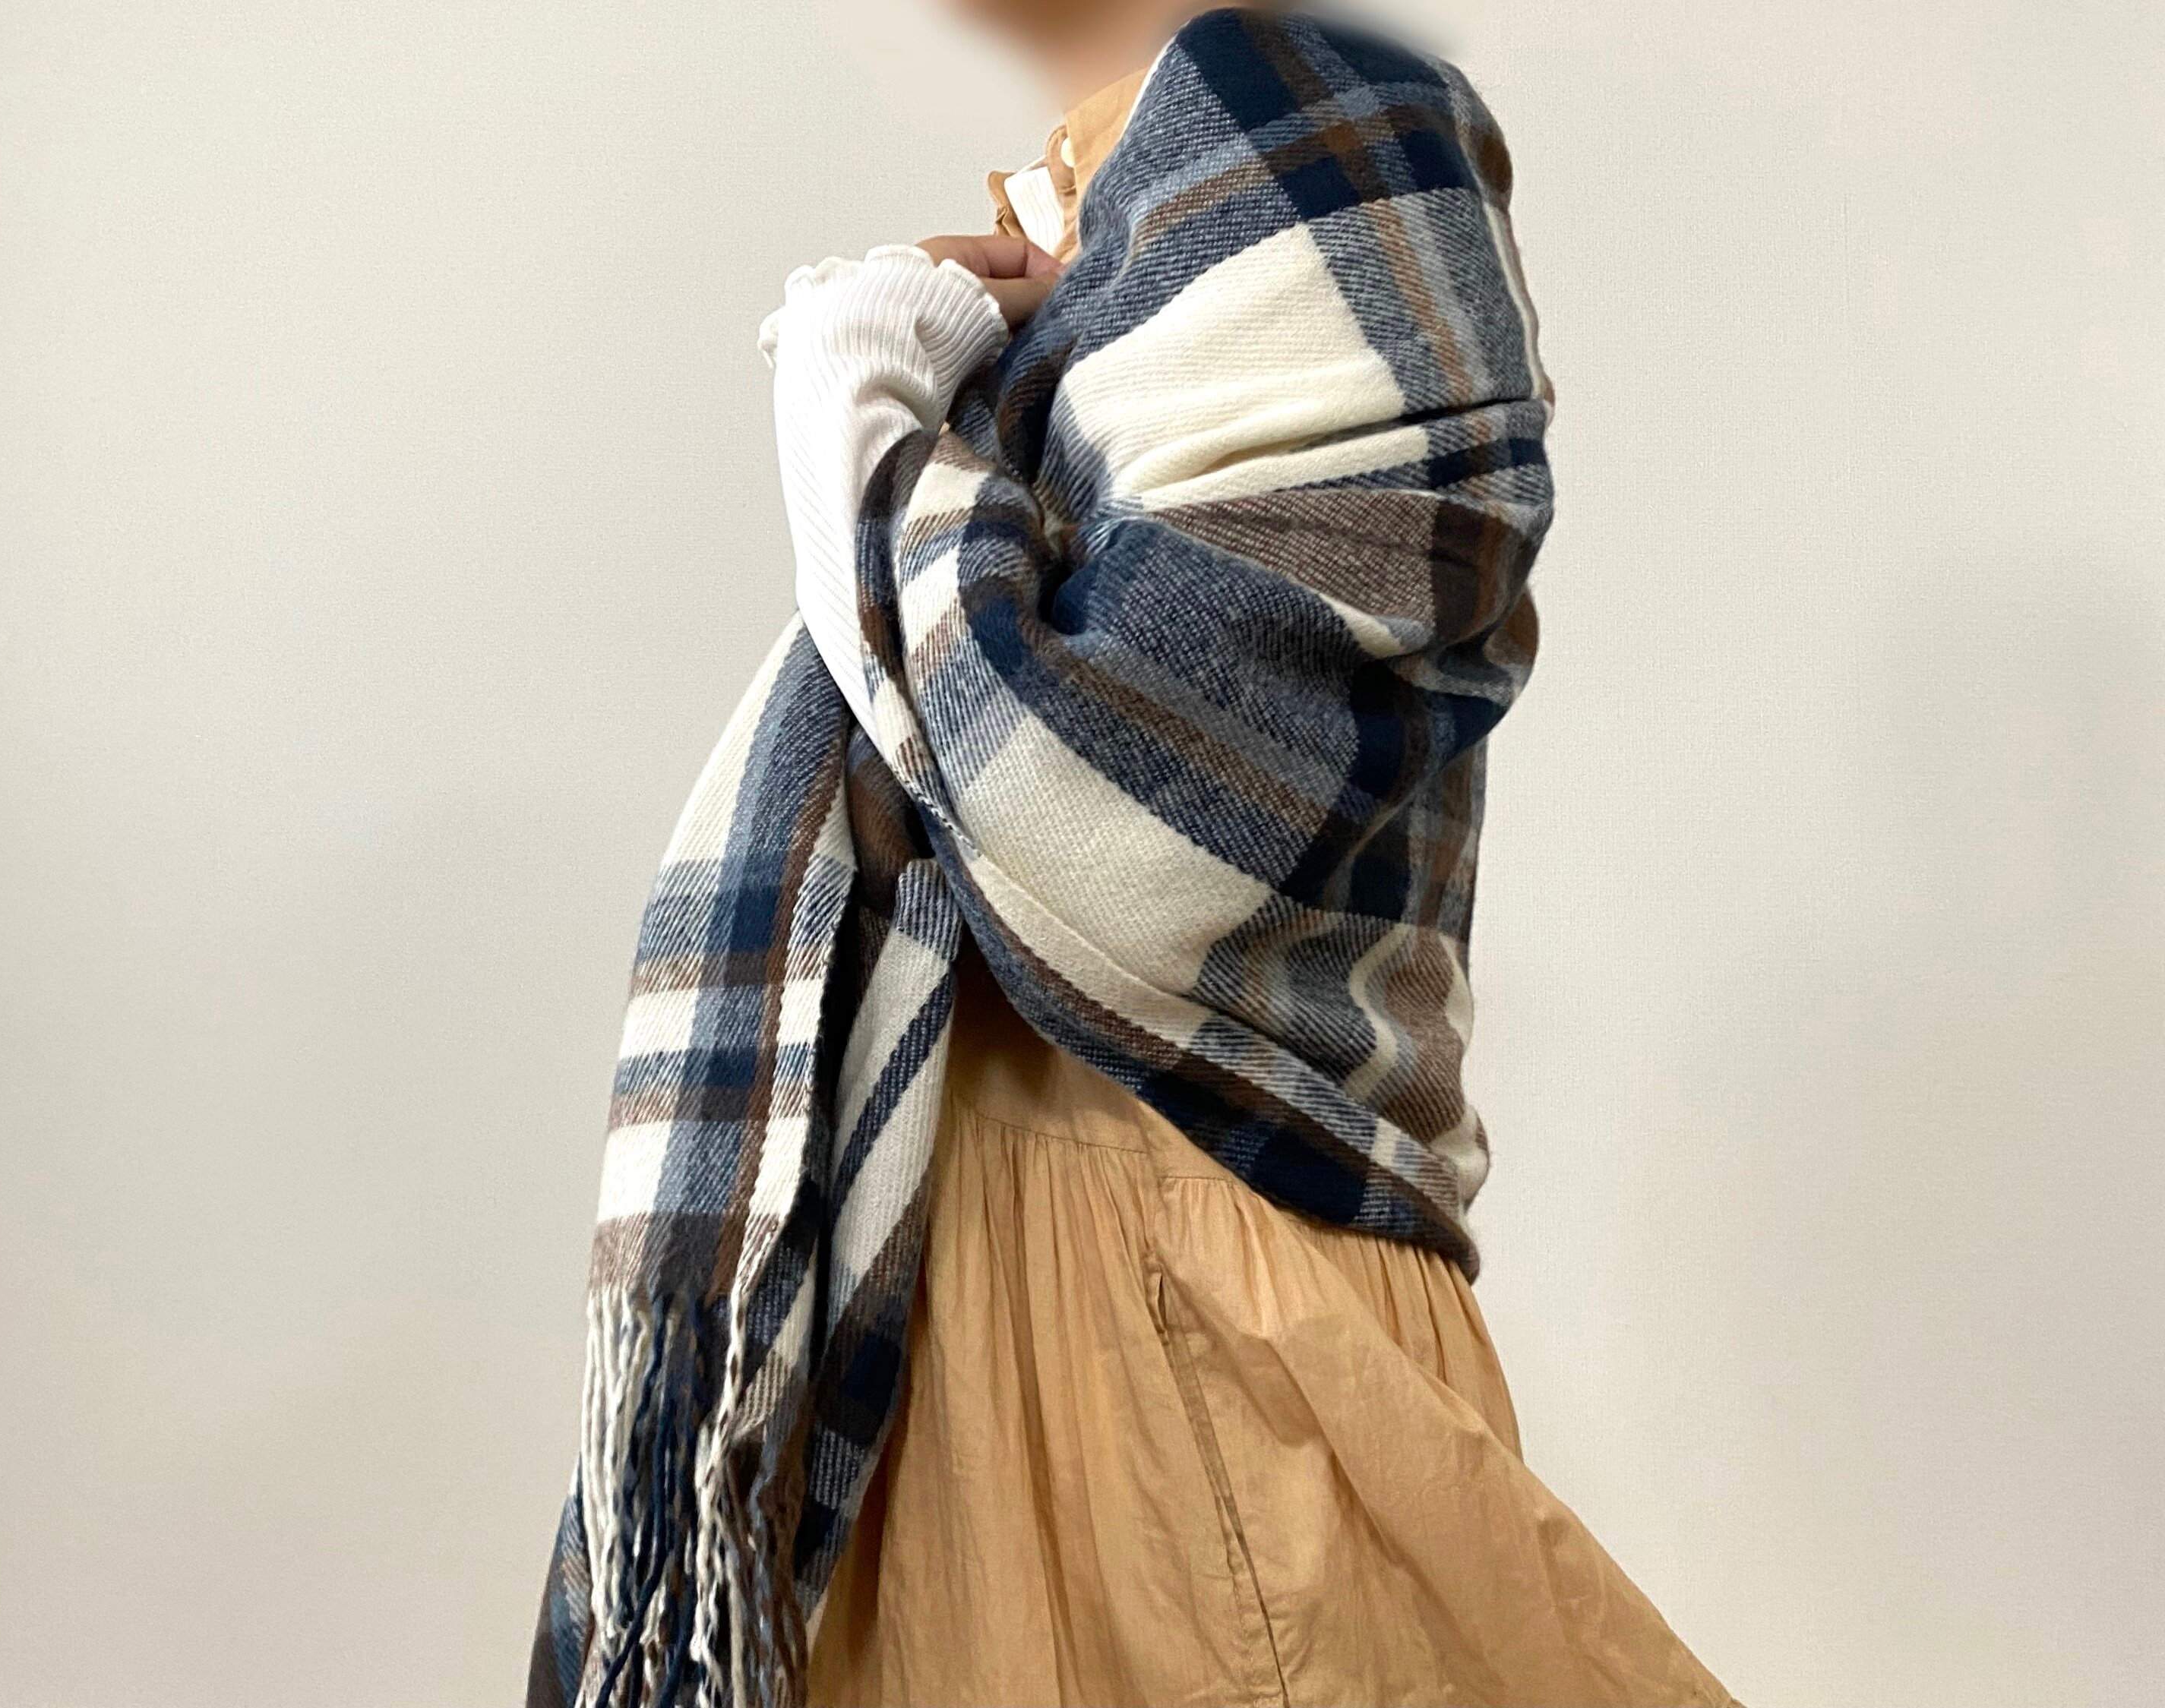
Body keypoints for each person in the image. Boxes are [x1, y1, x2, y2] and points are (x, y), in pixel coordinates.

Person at [533, 4, 1741, 1704]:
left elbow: (1105, 829)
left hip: (1176, 1292)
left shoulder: (1324, 126)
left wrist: (856, 404)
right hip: (930, 1301)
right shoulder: (1102, 226)